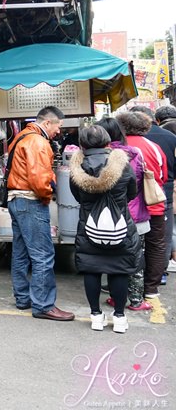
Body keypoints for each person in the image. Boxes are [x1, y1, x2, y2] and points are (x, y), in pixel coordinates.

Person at [69, 125, 141, 333]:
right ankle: (119, 318)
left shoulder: (78, 168)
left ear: (82, 145)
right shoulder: (122, 165)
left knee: (91, 269)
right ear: (108, 142)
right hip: (119, 226)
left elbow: (77, 197)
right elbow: (132, 193)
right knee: (119, 270)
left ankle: (95, 317)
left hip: (88, 227)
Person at [7, 106, 74, 321]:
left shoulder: (21, 136)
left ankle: (23, 298)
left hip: (16, 200)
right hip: (30, 200)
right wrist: (47, 196)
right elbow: (38, 179)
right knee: (43, 255)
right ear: (47, 123)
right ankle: (44, 305)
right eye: (58, 126)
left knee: (20, 253)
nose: (58, 131)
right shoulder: (38, 141)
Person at [96, 117, 151, 312]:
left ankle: (114, 297)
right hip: (136, 214)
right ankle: (136, 300)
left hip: (109, 217)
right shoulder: (135, 153)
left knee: (112, 260)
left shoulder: (100, 156)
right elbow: (136, 185)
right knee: (136, 259)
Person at [116, 112, 168, 305]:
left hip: (122, 208)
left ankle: (120, 289)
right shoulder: (153, 148)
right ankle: (150, 289)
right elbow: (161, 176)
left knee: (122, 249)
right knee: (155, 245)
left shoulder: (116, 147)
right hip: (152, 204)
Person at [131, 105, 176, 288]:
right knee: (159, 239)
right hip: (161, 192)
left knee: (133, 239)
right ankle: (154, 281)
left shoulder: (127, 141)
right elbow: (165, 172)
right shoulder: (171, 138)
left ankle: (133, 282)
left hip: (133, 197)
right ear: (153, 119)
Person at [152, 106, 176, 276]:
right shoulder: (170, 137)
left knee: (164, 231)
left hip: (161, 189)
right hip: (169, 187)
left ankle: (158, 272)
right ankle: (163, 270)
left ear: (158, 120)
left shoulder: (157, 135)